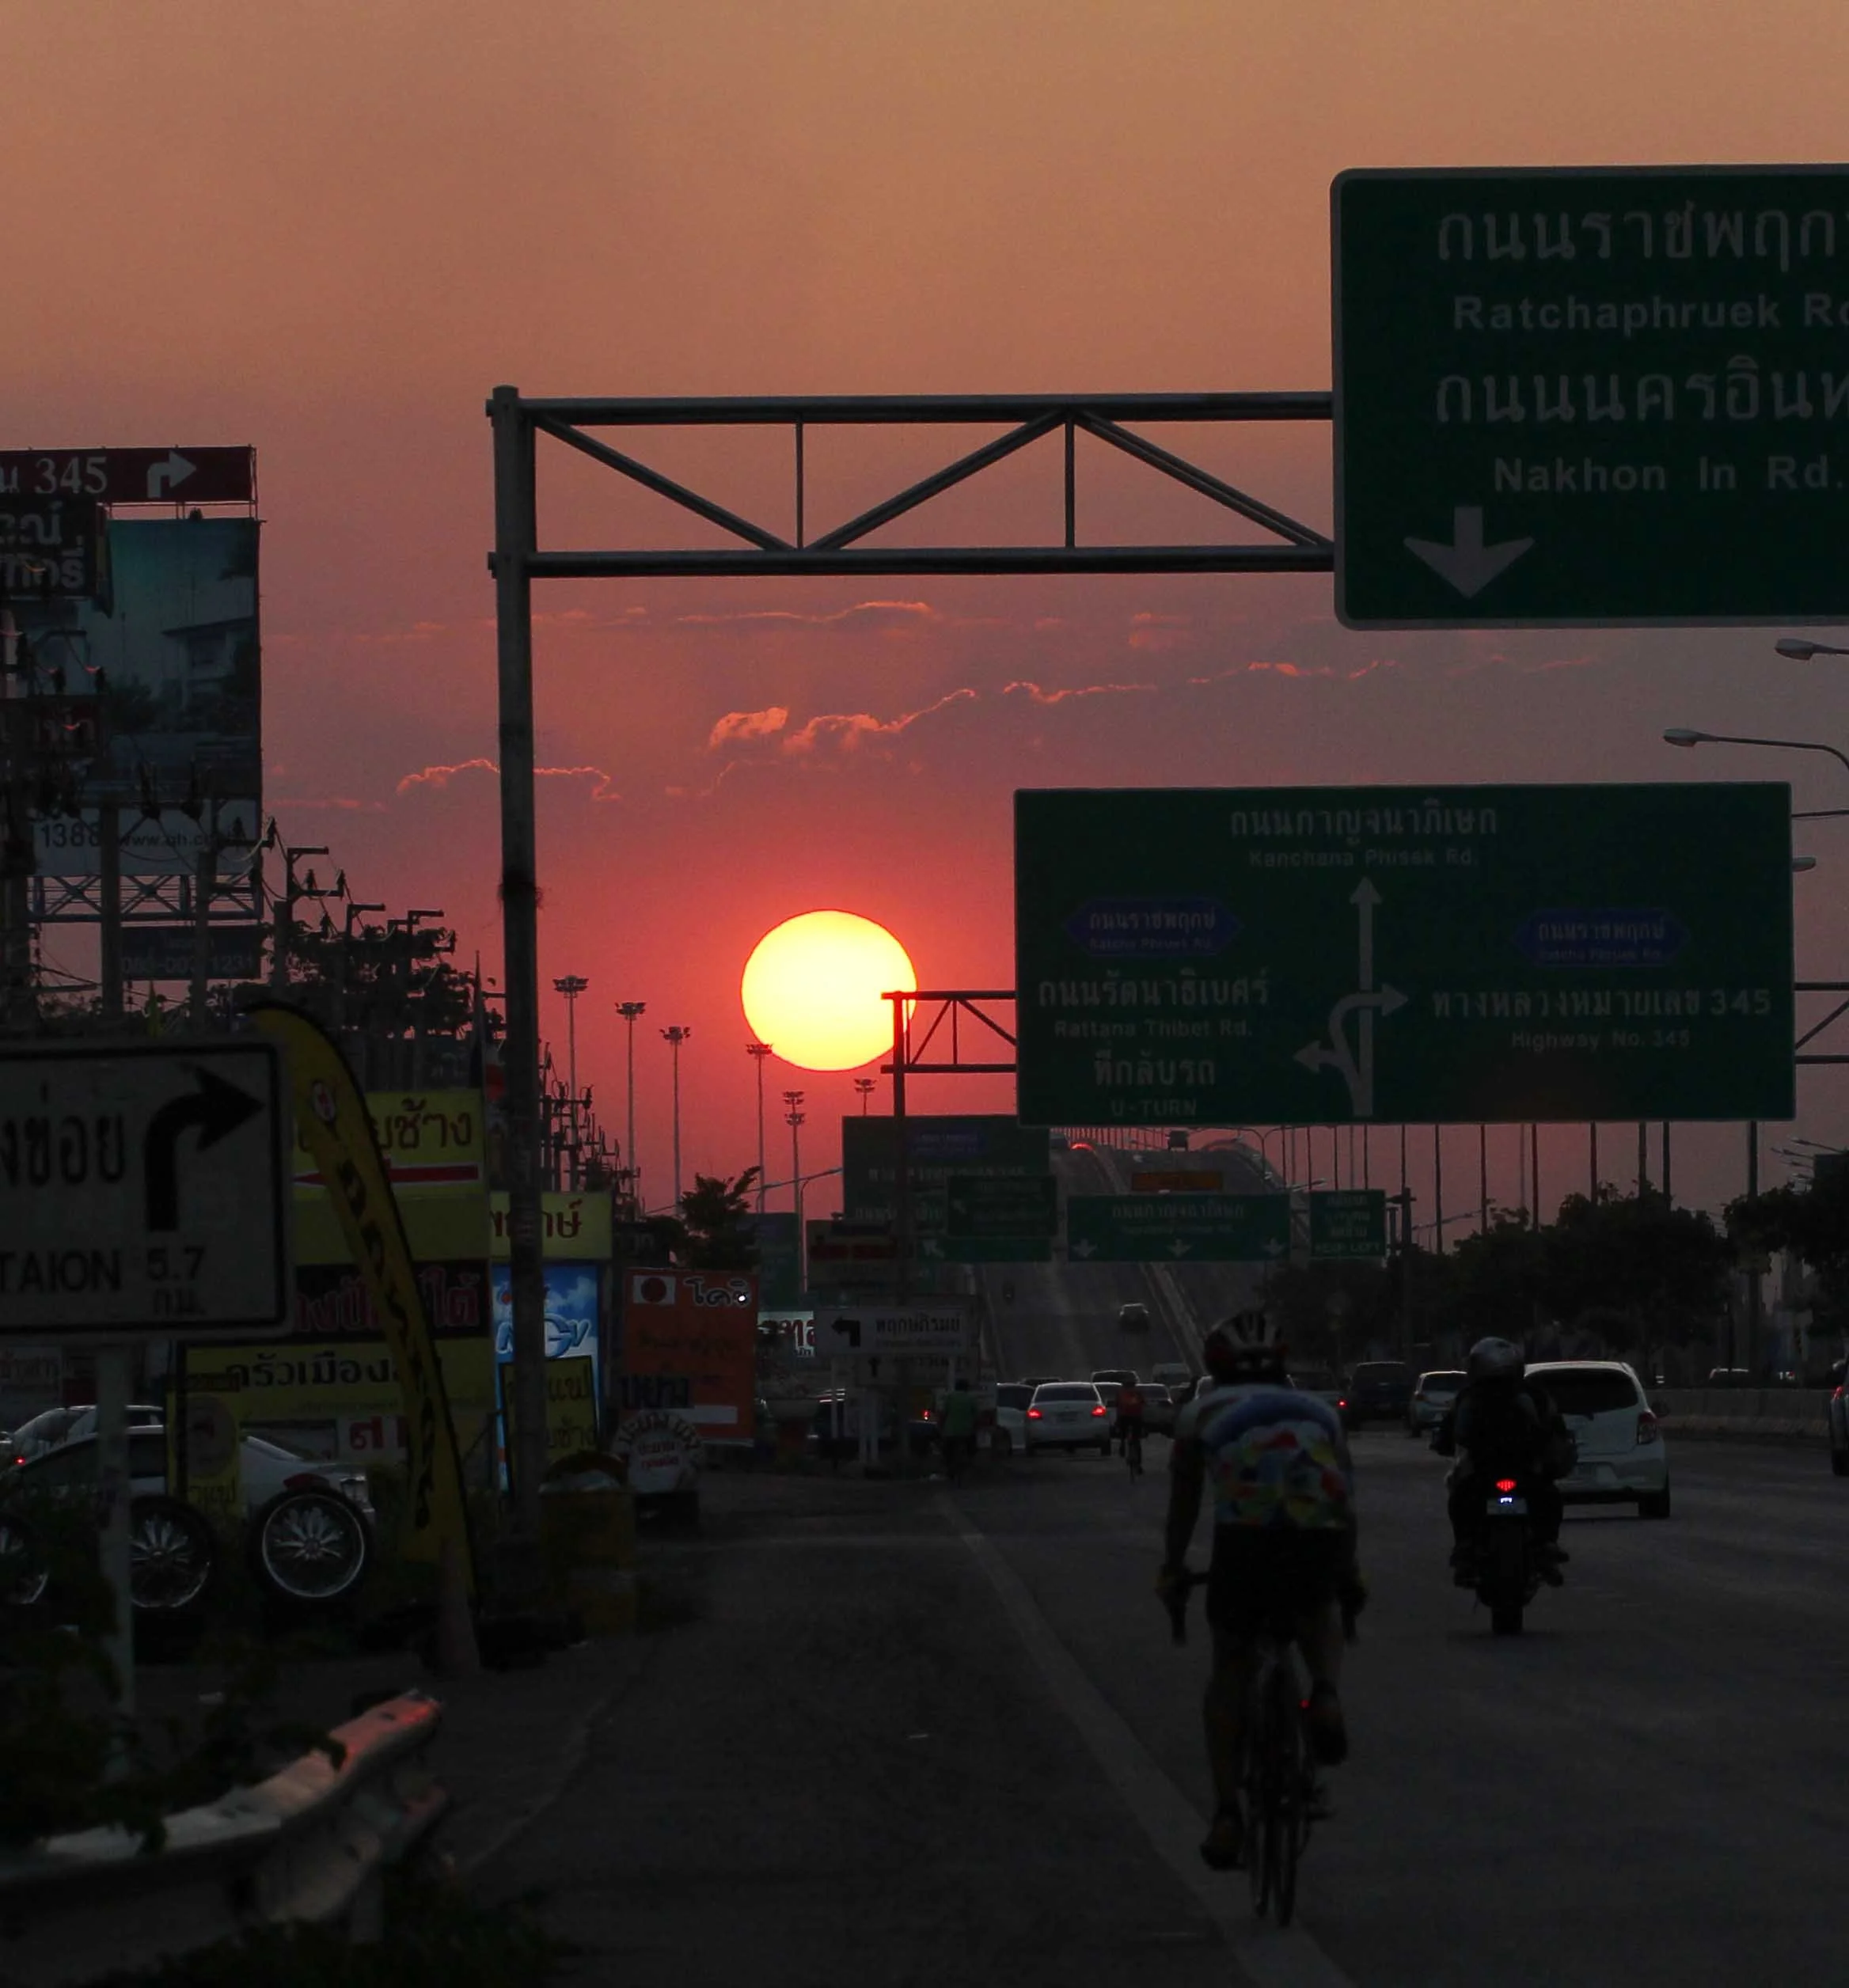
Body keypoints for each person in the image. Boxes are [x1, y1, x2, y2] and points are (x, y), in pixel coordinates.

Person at [1158, 1309, 1361, 1872]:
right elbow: (1343, 1500)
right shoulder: (1321, 1414)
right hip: (1314, 1541)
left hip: (1244, 1549)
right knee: (1321, 1607)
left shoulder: (1198, 1415)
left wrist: (1172, 1569)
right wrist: (1351, 1574)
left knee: (1229, 1670)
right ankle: (1323, 1692)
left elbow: (1183, 1508)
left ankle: (1227, 1815)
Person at [1432, 1337, 1569, 1584]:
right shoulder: (1529, 1395)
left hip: (1509, 1468)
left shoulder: (1473, 1396)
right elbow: (1556, 1428)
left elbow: (1554, 1429)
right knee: (1463, 1496)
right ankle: (1469, 1548)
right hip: (1500, 1469)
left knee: (1548, 1497)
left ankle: (1543, 1547)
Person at [936, 1377, 979, 1482]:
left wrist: (940, 1427)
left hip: (951, 1432)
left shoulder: (949, 1398)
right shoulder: (971, 1399)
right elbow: (977, 1416)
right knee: (972, 1449)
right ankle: (969, 1463)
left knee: (946, 1452)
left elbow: (943, 1414)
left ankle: (949, 1468)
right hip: (967, 1432)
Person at [1115, 1377, 1148, 1457]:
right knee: (1137, 1439)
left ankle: (1122, 1444)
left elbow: (1117, 1404)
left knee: (1122, 1431)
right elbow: (1143, 1403)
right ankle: (1138, 1463)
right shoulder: (1138, 1393)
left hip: (1124, 1416)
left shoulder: (1121, 1393)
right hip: (1136, 1417)